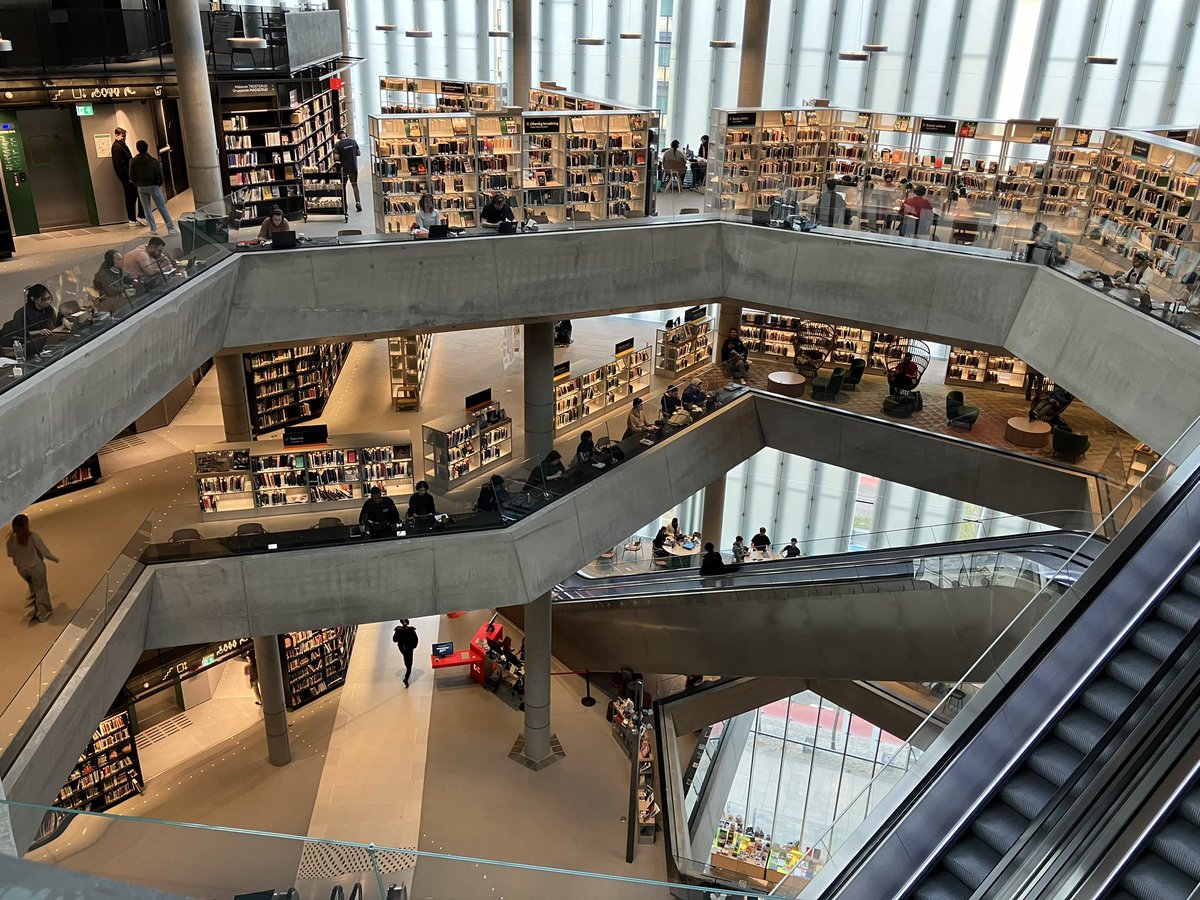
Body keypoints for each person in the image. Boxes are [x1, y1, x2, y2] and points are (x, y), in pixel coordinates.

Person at [6, 514, 59, 623]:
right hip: (36, 567)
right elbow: (44, 552)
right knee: (41, 589)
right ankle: (43, 613)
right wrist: (54, 558)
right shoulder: (32, 536)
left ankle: (32, 606)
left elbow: (10, 554)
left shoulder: (10, 540)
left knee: (32, 586)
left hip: (22, 570)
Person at [128, 140, 176, 236]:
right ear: (147, 148)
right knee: (162, 207)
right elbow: (160, 173)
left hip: (141, 187)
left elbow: (131, 175)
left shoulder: (133, 161)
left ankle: (153, 229)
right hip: (153, 186)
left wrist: (136, 183)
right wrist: (159, 182)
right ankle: (170, 227)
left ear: (137, 149)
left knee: (147, 209)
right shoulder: (153, 160)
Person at [2, 284, 64, 355]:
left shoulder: (48, 309)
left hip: (41, 342)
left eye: (49, 298)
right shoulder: (22, 313)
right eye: (44, 299)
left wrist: (62, 320)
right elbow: (21, 333)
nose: (48, 302)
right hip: (18, 346)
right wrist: (38, 332)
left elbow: (52, 325)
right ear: (34, 299)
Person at [111, 127, 142, 226]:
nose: (124, 138)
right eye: (122, 136)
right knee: (139, 194)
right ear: (116, 135)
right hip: (127, 177)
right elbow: (119, 166)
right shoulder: (117, 147)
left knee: (130, 198)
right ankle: (140, 216)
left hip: (128, 177)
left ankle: (132, 219)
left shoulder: (121, 146)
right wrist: (126, 179)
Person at [92, 250, 133, 314]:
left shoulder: (119, 270)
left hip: (119, 300)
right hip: (109, 302)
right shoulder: (104, 275)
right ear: (111, 261)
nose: (122, 261)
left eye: (122, 259)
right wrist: (128, 287)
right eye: (119, 260)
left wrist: (134, 281)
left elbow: (128, 279)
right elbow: (111, 291)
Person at [333, 129, 363, 212]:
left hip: (344, 169)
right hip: (353, 167)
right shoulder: (353, 141)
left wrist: (342, 156)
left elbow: (336, 158)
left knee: (343, 186)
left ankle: (344, 204)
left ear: (339, 138)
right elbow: (359, 153)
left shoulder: (338, 144)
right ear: (346, 135)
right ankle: (358, 202)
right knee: (355, 185)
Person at [392, 618, 419, 688]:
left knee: (406, 660)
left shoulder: (398, 630)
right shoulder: (411, 630)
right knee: (409, 664)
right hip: (409, 648)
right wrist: (413, 646)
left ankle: (407, 671)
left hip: (403, 648)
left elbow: (394, 640)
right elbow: (416, 639)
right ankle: (406, 679)